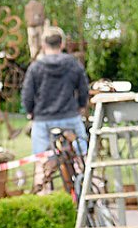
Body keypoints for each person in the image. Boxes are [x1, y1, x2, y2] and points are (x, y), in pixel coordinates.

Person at [23, 28, 90, 158]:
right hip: (70, 117)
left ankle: (42, 175)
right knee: (82, 155)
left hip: (43, 119)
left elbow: (27, 94)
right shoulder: (73, 64)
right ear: (62, 44)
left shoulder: (35, 67)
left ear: (43, 45)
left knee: (41, 163)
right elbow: (83, 89)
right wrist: (81, 106)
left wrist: (30, 111)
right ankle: (81, 169)